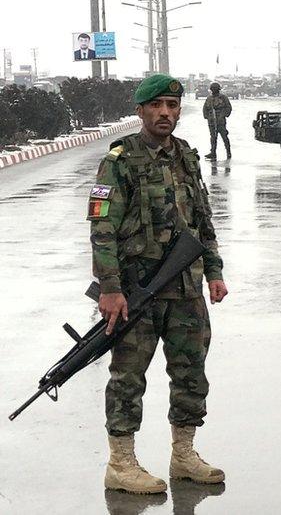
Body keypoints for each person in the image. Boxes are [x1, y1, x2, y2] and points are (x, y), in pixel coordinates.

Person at [89, 73, 228, 495]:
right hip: (138, 293)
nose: (165, 113)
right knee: (128, 378)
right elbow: (102, 226)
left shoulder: (186, 155)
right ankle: (121, 463)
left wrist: (216, 271)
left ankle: (184, 455)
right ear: (141, 111)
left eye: (172, 106)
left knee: (191, 373)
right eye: (156, 106)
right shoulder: (118, 161)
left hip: (187, 288)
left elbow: (202, 218)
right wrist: (110, 287)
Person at [202, 82, 233, 159]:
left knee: (224, 137)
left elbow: (228, 107)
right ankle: (213, 152)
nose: (213, 91)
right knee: (213, 138)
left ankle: (228, 152)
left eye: (215, 89)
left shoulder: (223, 97)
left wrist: (223, 115)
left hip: (220, 122)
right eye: (212, 89)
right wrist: (207, 117)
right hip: (212, 121)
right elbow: (205, 108)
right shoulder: (209, 98)